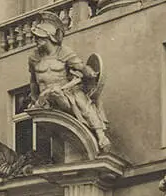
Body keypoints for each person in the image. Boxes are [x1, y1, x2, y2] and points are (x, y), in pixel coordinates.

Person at [28, 11, 110, 152]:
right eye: (36, 38)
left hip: (66, 92)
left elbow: (80, 66)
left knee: (83, 102)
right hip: (45, 100)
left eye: (40, 38)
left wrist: (89, 72)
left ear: (50, 38)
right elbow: (33, 82)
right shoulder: (34, 58)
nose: (36, 41)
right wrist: (34, 98)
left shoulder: (64, 52)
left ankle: (101, 136)